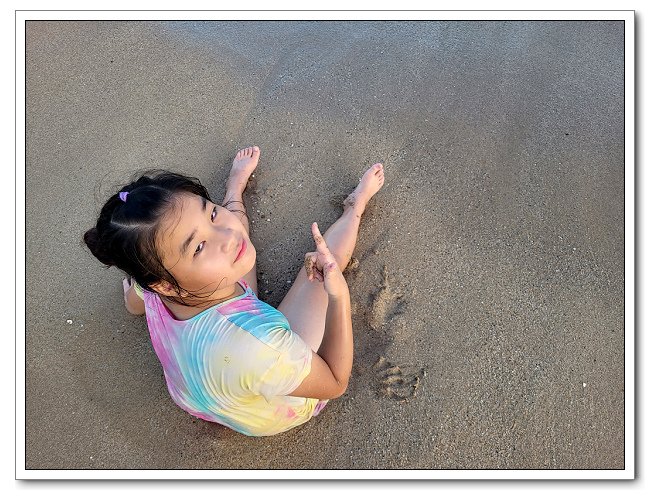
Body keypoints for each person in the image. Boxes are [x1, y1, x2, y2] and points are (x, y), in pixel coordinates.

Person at [83, 146, 385, 436]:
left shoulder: (153, 275)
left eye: (211, 212)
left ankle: (233, 189)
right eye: (198, 246)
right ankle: (354, 208)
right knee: (321, 271)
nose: (226, 234)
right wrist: (339, 296)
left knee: (236, 247)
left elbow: (136, 302)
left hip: (200, 392)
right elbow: (334, 382)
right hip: (264, 399)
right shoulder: (264, 346)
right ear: (162, 284)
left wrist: (130, 299)